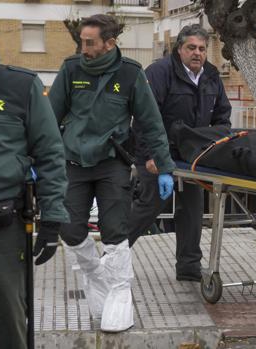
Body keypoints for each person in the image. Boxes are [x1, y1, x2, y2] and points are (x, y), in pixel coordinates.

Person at [48, 14, 175, 332]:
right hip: (73, 164)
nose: (83, 48)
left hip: (111, 165)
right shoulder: (71, 69)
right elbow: (48, 120)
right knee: (69, 229)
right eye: (82, 41)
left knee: (114, 230)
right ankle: (97, 276)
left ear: (109, 43)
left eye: (90, 42)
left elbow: (151, 122)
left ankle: (119, 292)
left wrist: (165, 168)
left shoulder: (130, 73)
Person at [128, 24, 232, 282]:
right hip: (156, 154)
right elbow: (143, 118)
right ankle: (112, 254)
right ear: (179, 49)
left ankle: (188, 268)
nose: (197, 53)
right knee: (149, 206)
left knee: (192, 211)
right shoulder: (159, 72)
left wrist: (211, 148)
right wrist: (152, 156)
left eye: (202, 48)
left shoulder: (210, 75)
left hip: (192, 157)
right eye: (191, 48)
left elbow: (223, 116)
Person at [0, 43, 69, 348]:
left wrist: (52, 218)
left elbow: (50, 154)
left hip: (1, 228)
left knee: (9, 316)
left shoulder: (20, 86)